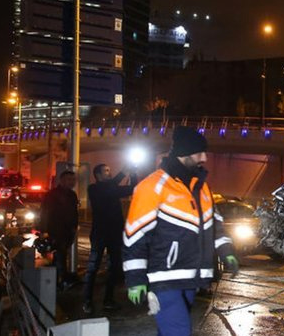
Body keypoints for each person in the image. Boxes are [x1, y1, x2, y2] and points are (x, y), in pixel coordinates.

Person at [122, 126, 238, 336]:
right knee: (178, 331)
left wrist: (226, 251)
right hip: (163, 279)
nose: (204, 157)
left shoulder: (202, 186)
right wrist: (135, 279)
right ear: (184, 153)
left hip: (191, 277)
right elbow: (134, 235)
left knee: (169, 331)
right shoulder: (152, 186)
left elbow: (216, 223)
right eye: (199, 152)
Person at [82, 164, 138, 314]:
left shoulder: (112, 188)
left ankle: (108, 300)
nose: (109, 172)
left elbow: (133, 188)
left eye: (109, 170)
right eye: (106, 171)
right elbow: (108, 189)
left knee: (114, 268)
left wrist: (133, 173)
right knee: (93, 267)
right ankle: (87, 301)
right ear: (98, 175)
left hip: (114, 234)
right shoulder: (94, 189)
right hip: (100, 234)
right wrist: (122, 173)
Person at [39, 170, 79, 290]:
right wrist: (43, 230)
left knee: (61, 255)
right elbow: (45, 213)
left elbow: (74, 213)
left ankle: (59, 281)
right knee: (59, 255)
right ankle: (60, 281)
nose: (71, 182)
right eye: (68, 179)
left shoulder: (72, 195)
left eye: (73, 180)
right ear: (61, 180)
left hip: (68, 231)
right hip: (56, 230)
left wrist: (74, 228)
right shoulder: (52, 194)